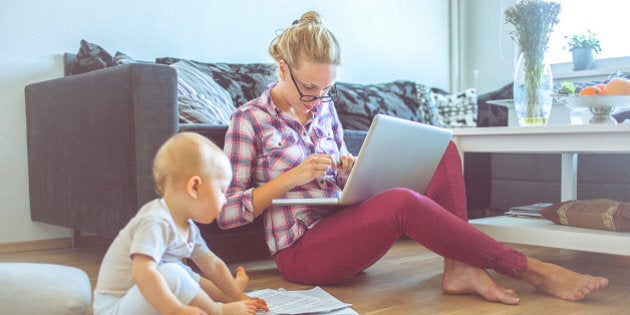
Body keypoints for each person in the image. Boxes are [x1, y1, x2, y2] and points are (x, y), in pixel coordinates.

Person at [217, 11, 609, 305]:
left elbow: (337, 179)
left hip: (343, 227)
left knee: (443, 151)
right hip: (300, 251)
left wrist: (351, 167)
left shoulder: (323, 109)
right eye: (309, 89)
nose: (317, 101)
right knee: (401, 202)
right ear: (282, 69)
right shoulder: (248, 120)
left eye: (327, 90)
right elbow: (227, 214)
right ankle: (531, 269)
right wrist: (290, 178)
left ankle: (459, 266)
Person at [93, 132, 268, 315]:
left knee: (183, 272)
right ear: (195, 187)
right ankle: (219, 310)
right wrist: (176, 310)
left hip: (142, 302)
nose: (225, 200)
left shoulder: (188, 228)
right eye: (222, 190)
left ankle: (227, 299)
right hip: (114, 308)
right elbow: (142, 273)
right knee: (172, 272)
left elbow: (213, 265)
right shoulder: (155, 221)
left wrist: (239, 296)